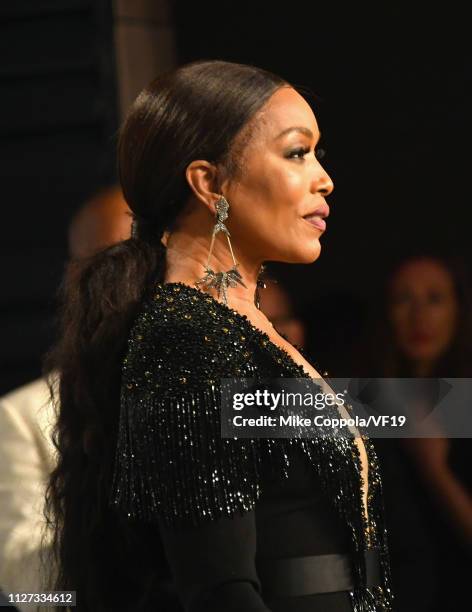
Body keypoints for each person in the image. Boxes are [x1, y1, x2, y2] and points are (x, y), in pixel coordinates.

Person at [43, 60, 393, 611]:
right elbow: (220, 590)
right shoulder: (186, 336)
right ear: (210, 182)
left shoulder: (238, 327)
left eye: (317, 154)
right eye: (298, 152)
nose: (324, 178)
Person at [0, 185, 131, 612]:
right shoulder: (20, 416)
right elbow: (29, 589)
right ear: (79, 281)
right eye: (114, 263)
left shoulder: (250, 382)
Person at [353, 250, 472, 611]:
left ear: (458, 310)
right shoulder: (363, 404)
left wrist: (435, 471)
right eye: (404, 299)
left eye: (434, 299)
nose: (419, 316)